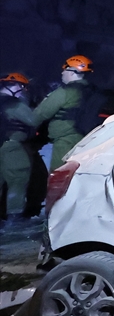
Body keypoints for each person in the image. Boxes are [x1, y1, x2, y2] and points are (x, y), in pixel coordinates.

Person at [33, 55, 95, 171]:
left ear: (71, 72)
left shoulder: (66, 91)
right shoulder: (92, 92)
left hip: (65, 143)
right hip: (87, 142)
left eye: (64, 70)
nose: (62, 73)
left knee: (57, 179)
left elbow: (39, 115)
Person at [0, 73, 37, 221]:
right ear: (14, 87)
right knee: (18, 180)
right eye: (22, 87)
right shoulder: (15, 104)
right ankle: (14, 219)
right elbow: (34, 120)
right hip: (12, 148)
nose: (23, 91)